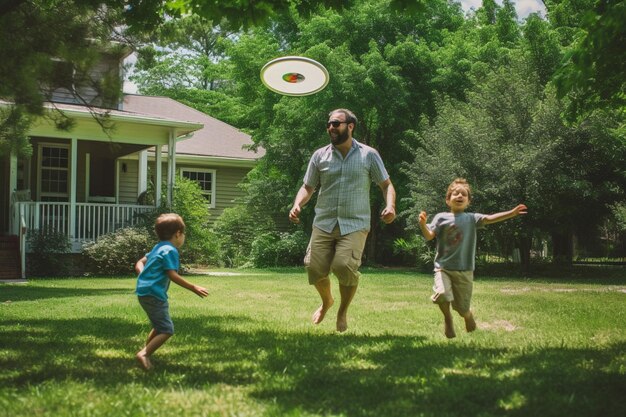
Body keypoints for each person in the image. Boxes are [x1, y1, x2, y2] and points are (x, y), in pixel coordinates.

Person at [289, 108, 396, 332]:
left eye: (336, 124)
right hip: (324, 221)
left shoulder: (369, 154)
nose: (331, 128)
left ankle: (342, 311)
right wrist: (298, 203)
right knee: (314, 268)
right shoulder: (320, 155)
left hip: (355, 223)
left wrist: (390, 206)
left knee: (343, 266)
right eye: (328, 124)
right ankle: (327, 300)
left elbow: (386, 184)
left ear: (350, 126)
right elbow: (308, 187)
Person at [418, 178, 527, 338]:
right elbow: (429, 236)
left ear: (468, 201)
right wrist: (422, 224)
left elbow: (490, 218)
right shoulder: (440, 217)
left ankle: (468, 316)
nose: (459, 196)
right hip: (443, 267)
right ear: (448, 199)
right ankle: (448, 319)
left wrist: (512, 213)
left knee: (462, 308)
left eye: (464, 194)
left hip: (464, 270)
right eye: (455, 194)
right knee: (441, 293)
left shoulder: (471, 218)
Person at [134, 213, 209, 370]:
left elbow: (139, 262)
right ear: (178, 234)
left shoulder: (158, 247)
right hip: (154, 293)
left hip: (143, 291)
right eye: (184, 234)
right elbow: (172, 274)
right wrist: (193, 287)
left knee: (158, 325)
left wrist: (142, 273)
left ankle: (148, 351)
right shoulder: (170, 250)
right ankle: (144, 354)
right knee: (167, 329)